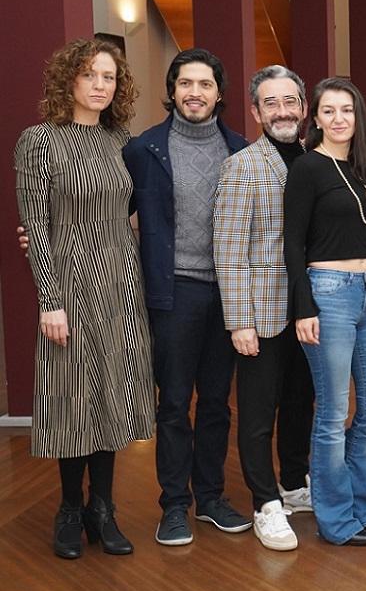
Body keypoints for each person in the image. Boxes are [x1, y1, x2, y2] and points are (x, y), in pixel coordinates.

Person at [15, 38, 155, 559]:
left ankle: (104, 508)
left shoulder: (124, 143)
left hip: (120, 285)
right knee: (73, 398)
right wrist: (49, 299)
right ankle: (70, 507)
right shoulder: (40, 141)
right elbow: (35, 226)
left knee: (112, 395)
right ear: (68, 80)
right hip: (70, 288)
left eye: (110, 78)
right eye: (91, 75)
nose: (100, 85)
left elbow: (136, 214)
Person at [122, 49, 251, 546]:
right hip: (173, 293)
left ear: (219, 93)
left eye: (204, 84)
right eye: (185, 83)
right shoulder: (143, 150)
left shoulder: (240, 149)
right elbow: (110, 212)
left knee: (218, 402)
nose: (194, 92)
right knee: (174, 402)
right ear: (172, 90)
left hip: (229, 294)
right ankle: (174, 505)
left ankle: (212, 498)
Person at [283, 77, 366, 546]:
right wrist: (304, 307)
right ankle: (334, 517)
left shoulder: (361, 166)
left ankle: (358, 504)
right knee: (333, 412)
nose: (339, 119)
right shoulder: (307, 168)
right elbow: (292, 243)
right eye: (329, 111)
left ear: (358, 117)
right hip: (328, 291)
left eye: (348, 110)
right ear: (315, 118)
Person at [214, 65, 315, 551]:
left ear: (304, 106)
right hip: (263, 312)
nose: (282, 110)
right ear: (255, 112)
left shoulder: (318, 159)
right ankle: (265, 502)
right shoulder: (242, 167)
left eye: (290, 100)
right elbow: (229, 250)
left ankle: (294, 484)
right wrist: (239, 322)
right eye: (270, 103)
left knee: (301, 404)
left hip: (311, 310)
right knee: (258, 413)